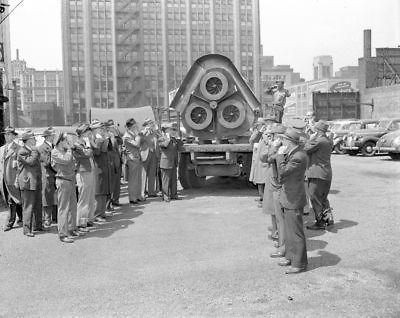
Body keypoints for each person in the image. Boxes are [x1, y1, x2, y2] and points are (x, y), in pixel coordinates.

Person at [275, 127, 308, 274]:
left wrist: (280, 156)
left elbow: (283, 172)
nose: (282, 141)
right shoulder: (294, 153)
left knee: (296, 233)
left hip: (294, 198)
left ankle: (299, 263)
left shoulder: (298, 156)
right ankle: (290, 256)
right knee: (289, 231)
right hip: (289, 197)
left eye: (284, 139)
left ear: (290, 141)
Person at [259, 124, 287, 258]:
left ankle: (282, 240)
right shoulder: (273, 145)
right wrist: (269, 145)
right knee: (272, 211)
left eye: (273, 134)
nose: (271, 137)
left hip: (277, 183)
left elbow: (270, 158)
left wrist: (273, 146)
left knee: (280, 214)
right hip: (271, 180)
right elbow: (263, 157)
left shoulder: (282, 148)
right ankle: (277, 234)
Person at [51, 132, 82, 243]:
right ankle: (63, 234)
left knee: (73, 206)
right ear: (59, 142)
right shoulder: (54, 152)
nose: (67, 143)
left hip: (70, 180)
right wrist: (69, 150)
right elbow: (66, 160)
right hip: (63, 181)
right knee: (63, 208)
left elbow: (74, 163)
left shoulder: (65, 151)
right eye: (65, 141)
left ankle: (72, 228)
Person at [304, 120, 334, 230]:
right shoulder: (328, 140)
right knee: (323, 197)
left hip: (317, 173)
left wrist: (310, 138)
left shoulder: (319, 141)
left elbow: (306, 148)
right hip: (326, 172)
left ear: (317, 130)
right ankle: (328, 218)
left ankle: (320, 222)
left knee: (314, 197)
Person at [16, 130, 43, 237]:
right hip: (27, 183)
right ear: (27, 140)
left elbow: (41, 160)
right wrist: (35, 151)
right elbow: (31, 162)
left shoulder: (32, 150)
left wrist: (35, 151)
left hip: (36, 181)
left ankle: (38, 226)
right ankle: (27, 230)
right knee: (28, 206)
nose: (35, 140)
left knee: (37, 204)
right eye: (33, 138)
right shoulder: (22, 151)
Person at [73, 123, 96, 230]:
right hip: (82, 172)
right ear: (82, 133)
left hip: (89, 171)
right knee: (84, 197)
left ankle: (89, 218)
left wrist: (88, 144)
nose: (90, 133)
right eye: (88, 132)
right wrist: (87, 144)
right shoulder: (77, 145)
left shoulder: (85, 143)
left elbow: (91, 152)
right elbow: (87, 154)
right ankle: (81, 221)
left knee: (90, 196)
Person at [1, 127, 22, 231]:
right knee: (12, 199)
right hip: (3, 180)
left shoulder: (18, 148)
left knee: (11, 200)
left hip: (13, 179)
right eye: (5, 134)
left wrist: (17, 179)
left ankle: (10, 222)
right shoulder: (1, 149)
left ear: (14, 136)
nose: (6, 136)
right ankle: (22, 217)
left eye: (9, 134)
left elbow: (19, 166)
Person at [37, 128, 57, 227]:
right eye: (53, 135)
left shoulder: (53, 146)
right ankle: (47, 219)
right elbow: (46, 163)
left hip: (54, 174)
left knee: (54, 196)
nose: (54, 136)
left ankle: (55, 217)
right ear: (48, 136)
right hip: (47, 175)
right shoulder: (42, 147)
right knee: (47, 197)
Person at [91, 120, 111, 221]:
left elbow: (108, 149)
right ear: (94, 130)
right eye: (99, 128)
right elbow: (98, 152)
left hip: (103, 166)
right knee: (98, 191)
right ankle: (97, 214)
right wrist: (101, 141)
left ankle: (102, 212)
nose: (101, 130)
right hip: (97, 167)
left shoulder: (100, 138)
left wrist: (106, 139)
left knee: (103, 190)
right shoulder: (94, 139)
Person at [158, 122, 182, 202]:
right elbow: (164, 145)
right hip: (166, 162)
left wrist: (178, 138)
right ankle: (165, 196)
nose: (171, 130)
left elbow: (179, 147)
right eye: (169, 129)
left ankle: (174, 195)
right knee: (166, 180)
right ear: (166, 130)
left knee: (173, 180)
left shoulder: (173, 138)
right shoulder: (162, 137)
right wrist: (168, 139)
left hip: (173, 162)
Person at [123, 118, 144, 204]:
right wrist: (138, 135)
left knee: (138, 179)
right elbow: (137, 144)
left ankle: (138, 196)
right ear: (131, 127)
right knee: (133, 180)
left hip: (137, 158)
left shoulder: (133, 134)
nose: (137, 127)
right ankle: (132, 198)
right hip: (132, 159)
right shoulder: (127, 136)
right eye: (135, 126)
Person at [140, 118, 161, 198]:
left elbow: (159, 139)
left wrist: (156, 131)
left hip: (153, 154)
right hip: (145, 154)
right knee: (144, 174)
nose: (151, 125)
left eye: (152, 123)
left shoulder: (154, 133)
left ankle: (151, 192)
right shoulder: (142, 132)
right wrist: (146, 131)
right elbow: (139, 140)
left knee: (152, 174)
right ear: (146, 125)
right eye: (150, 123)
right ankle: (142, 192)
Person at [105, 119, 123, 208]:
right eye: (111, 125)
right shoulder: (107, 136)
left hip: (117, 160)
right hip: (111, 161)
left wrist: (116, 132)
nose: (113, 127)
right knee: (111, 183)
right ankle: (110, 202)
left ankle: (116, 199)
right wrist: (111, 136)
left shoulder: (115, 135)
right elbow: (111, 147)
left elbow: (120, 142)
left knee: (117, 183)